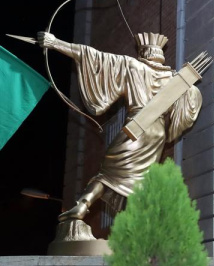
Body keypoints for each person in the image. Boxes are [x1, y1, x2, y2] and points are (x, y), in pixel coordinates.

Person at [37, 31, 203, 221]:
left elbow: (89, 55)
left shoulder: (132, 65)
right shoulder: (175, 80)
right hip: (157, 135)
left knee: (108, 172)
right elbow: (191, 99)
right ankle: (136, 224)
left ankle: (82, 205)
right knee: (138, 182)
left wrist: (55, 42)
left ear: (143, 53)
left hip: (136, 128)